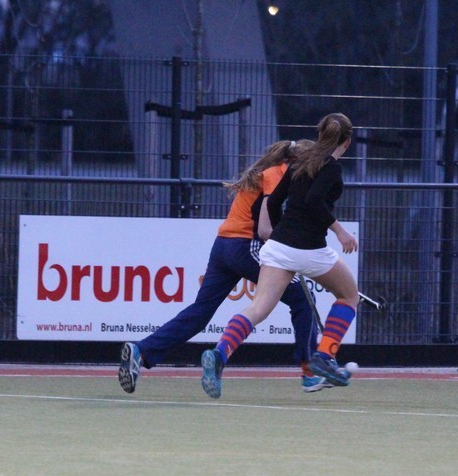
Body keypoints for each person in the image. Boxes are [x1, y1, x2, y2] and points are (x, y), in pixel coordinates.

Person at [118, 140, 332, 394]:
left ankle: (141, 351)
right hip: (245, 246)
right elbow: (265, 230)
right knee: (302, 298)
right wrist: (291, 253)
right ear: (297, 162)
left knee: (200, 312)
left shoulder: (268, 172)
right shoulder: (278, 175)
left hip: (223, 246)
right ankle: (309, 372)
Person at [201, 113, 359, 399]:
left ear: (319, 133)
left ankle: (220, 353)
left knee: (258, 308)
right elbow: (314, 201)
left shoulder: (299, 162)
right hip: (311, 249)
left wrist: (279, 237)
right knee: (349, 296)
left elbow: (274, 202)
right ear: (346, 143)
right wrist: (340, 231)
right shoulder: (332, 168)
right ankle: (324, 356)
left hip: (278, 247)